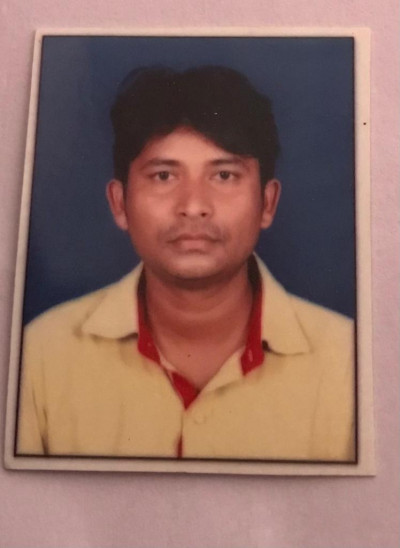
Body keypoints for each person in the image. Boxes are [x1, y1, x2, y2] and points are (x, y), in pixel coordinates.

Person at [17, 66, 355, 461]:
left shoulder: (348, 361)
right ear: (119, 203)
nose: (193, 206)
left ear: (267, 202)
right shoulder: (41, 354)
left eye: (224, 175)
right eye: (163, 176)